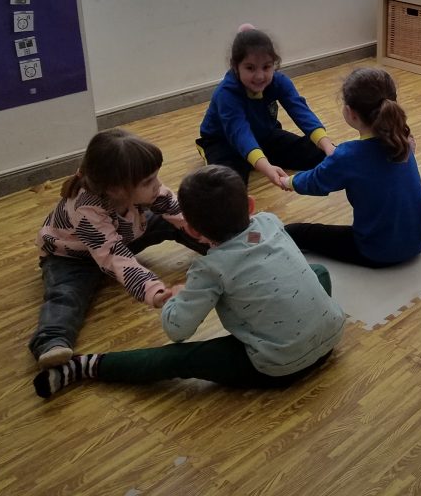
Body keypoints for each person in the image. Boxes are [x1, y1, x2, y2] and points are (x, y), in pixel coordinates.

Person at [33, 165, 345, 398]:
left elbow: (177, 330)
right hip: (330, 339)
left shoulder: (208, 269)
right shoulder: (270, 221)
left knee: (181, 359)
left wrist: (178, 297)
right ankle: (313, 322)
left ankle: (86, 366)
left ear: (192, 230)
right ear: (250, 205)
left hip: (278, 367)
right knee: (317, 271)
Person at [28, 129, 209, 369]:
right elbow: (115, 258)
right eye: (148, 181)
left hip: (121, 237)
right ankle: (51, 340)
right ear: (116, 189)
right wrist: (152, 290)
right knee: (66, 293)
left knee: (177, 222)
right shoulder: (86, 210)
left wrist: (216, 232)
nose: (157, 185)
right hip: (73, 257)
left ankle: (224, 243)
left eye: (155, 177)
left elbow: (175, 210)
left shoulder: (128, 185)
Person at [279, 67, 421, 267]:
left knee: (295, 232)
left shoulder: (348, 155)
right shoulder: (403, 139)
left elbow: (316, 181)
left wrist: (288, 181)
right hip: (418, 240)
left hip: (377, 251)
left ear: (350, 113)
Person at [196, 25, 336, 188]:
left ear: (274, 64)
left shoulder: (280, 82)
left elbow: (301, 112)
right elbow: (239, 132)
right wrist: (266, 167)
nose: (260, 76)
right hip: (223, 142)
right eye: (250, 68)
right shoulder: (226, 93)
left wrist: (326, 145)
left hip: (264, 135)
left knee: (321, 153)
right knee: (228, 186)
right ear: (235, 66)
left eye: (266, 67)